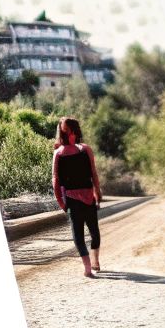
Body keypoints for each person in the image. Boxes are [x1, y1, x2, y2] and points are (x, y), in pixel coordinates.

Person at [52, 115, 105, 278]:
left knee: (95, 233)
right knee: (79, 235)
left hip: (88, 196)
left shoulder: (85, 149)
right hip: (72, 199)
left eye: (69, 129)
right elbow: (55, 180)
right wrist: (61, 202)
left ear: (75, 130)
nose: (67, 133)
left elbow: (93, 173)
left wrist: (97, 191)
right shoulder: (58, 153)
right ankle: (88, 268)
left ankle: (95, 261)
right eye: (64, 130)